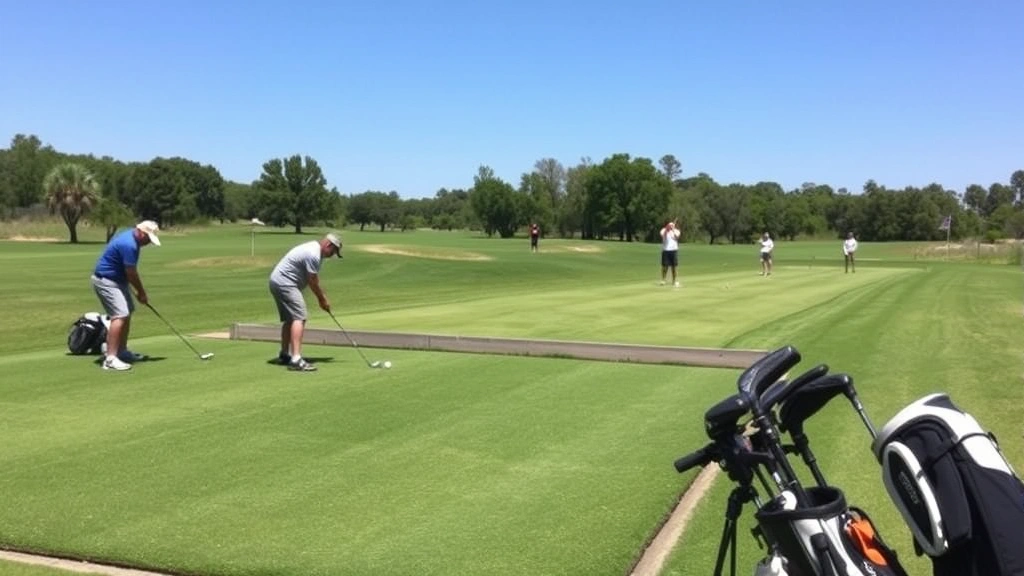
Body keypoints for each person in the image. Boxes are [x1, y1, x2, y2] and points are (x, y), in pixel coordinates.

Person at [91, 220, 161, 371]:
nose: (148, 242)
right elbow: (131, 272)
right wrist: (141, 292)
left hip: (117, 280)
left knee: (127, 312)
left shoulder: (132, 238)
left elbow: (127, 272)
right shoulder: (129, 244)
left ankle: (121, 352)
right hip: (106, 280)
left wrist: (136, 291)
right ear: (141, 232)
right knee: (120, 315)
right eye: (148, 239)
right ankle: (110, 359)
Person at [269, 233, 343, 372]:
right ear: (328, 245)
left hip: (277, 281)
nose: (333, 254)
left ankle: (285, 354)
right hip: (285, 283)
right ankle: (296, 359)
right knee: (299, 317)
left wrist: (321, 298)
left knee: (290, 319)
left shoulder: (315, 250)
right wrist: (322, 299)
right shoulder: (313, 253)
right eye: (333, 251)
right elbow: (312, 280)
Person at [659, 220, 681, 287]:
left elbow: (677, 237)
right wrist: (667, 229)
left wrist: (673, 230)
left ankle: (674, 281)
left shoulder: (677, 231)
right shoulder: (663, 230)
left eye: (672, 225)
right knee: (665, 266)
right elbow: (663, 236)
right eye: (670, 225)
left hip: (674, 250)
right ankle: (663, 280)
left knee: (674, 267)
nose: (671, 226)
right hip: (665, 250)